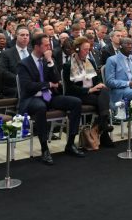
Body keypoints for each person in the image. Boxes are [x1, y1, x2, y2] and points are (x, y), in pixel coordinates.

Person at [17, 33, 85, 165]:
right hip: (32, 98)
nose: (50, 47)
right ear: (37, 47)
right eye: (46, 45)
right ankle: (44, 149)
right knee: (40, 107)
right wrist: (48, 84)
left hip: (49, 96)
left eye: (49, 45)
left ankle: (70, 144)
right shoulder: (24, 64)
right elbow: (28, 86)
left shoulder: (47, 60)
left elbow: (56, 80)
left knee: (76, 102)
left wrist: (49, 61)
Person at [64, 36, 114, 148]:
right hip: (79, 94)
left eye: (88, 49)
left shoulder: (90, 61)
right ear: (77, 49)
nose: (87, 52)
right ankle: (103, 130)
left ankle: (102, 124)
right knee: (101, 101)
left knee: (104, 90)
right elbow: (70, 88)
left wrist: (99, 84)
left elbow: (97, 78)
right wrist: (89, 90)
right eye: (85, 49)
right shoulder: (68, 65)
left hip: (93, 90)